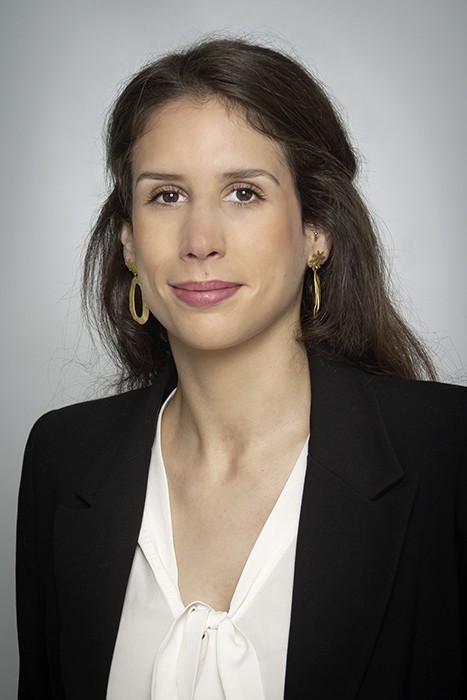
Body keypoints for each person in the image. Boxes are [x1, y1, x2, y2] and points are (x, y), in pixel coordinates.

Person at [16, 37, 466, 700]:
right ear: (128, 241)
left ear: (316, 231)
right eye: (167, 195)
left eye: (244, 193)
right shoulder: (62, 457)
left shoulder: (449, 450)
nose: (200, 241)